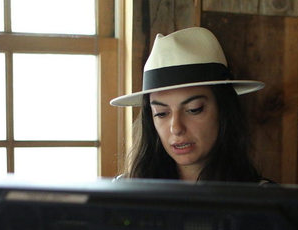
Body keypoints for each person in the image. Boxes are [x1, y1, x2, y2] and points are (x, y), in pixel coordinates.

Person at [110, 27, 268, 183]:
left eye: (194, 110)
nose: (176, 128)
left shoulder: (264, 199)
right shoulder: (126, 192)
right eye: (161, 113)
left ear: (224, 110)